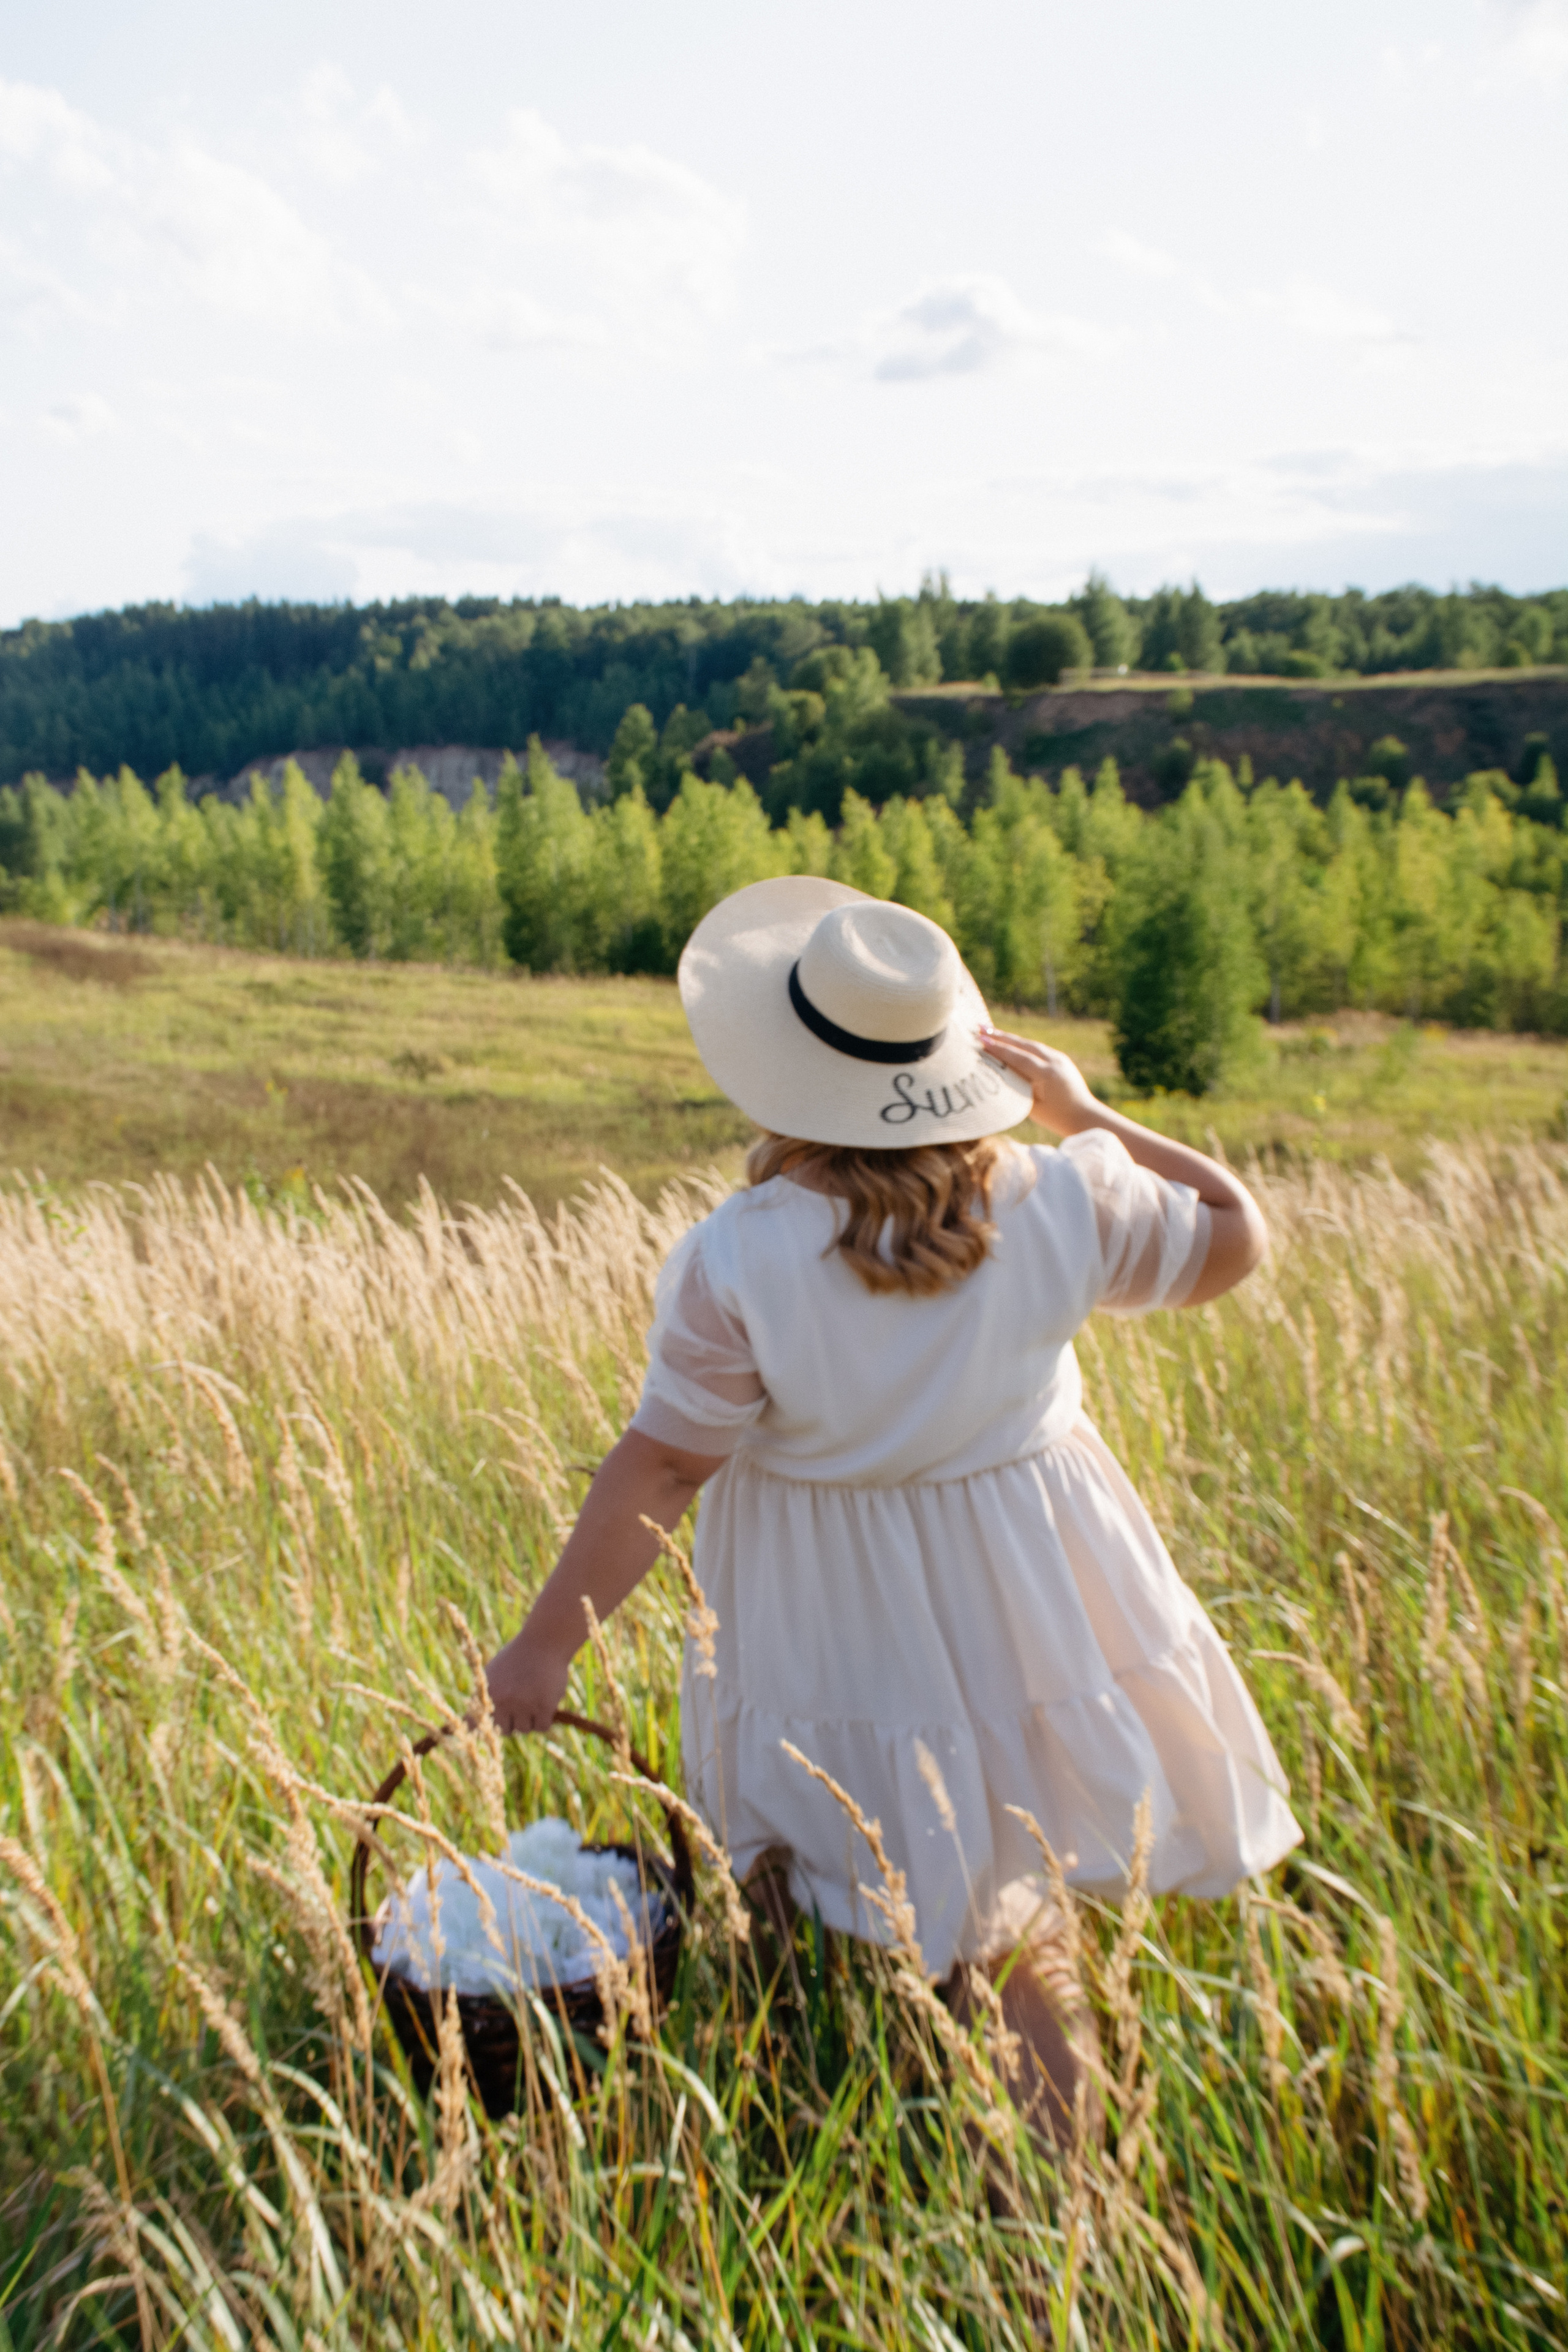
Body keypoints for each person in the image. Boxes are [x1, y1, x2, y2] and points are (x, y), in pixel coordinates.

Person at [484, 877, 1301, 2134]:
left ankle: (777, 2111)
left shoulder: (741, 1258)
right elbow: (1234, 1234)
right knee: (1018, 1920)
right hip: (1029, 1597)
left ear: (781, 1079)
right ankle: (1065, 2240)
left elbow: (660, 1466)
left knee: (791, 1853)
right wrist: (1088, 1114)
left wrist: (547, 1645)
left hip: (827, 1608)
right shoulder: (1057, 1195)